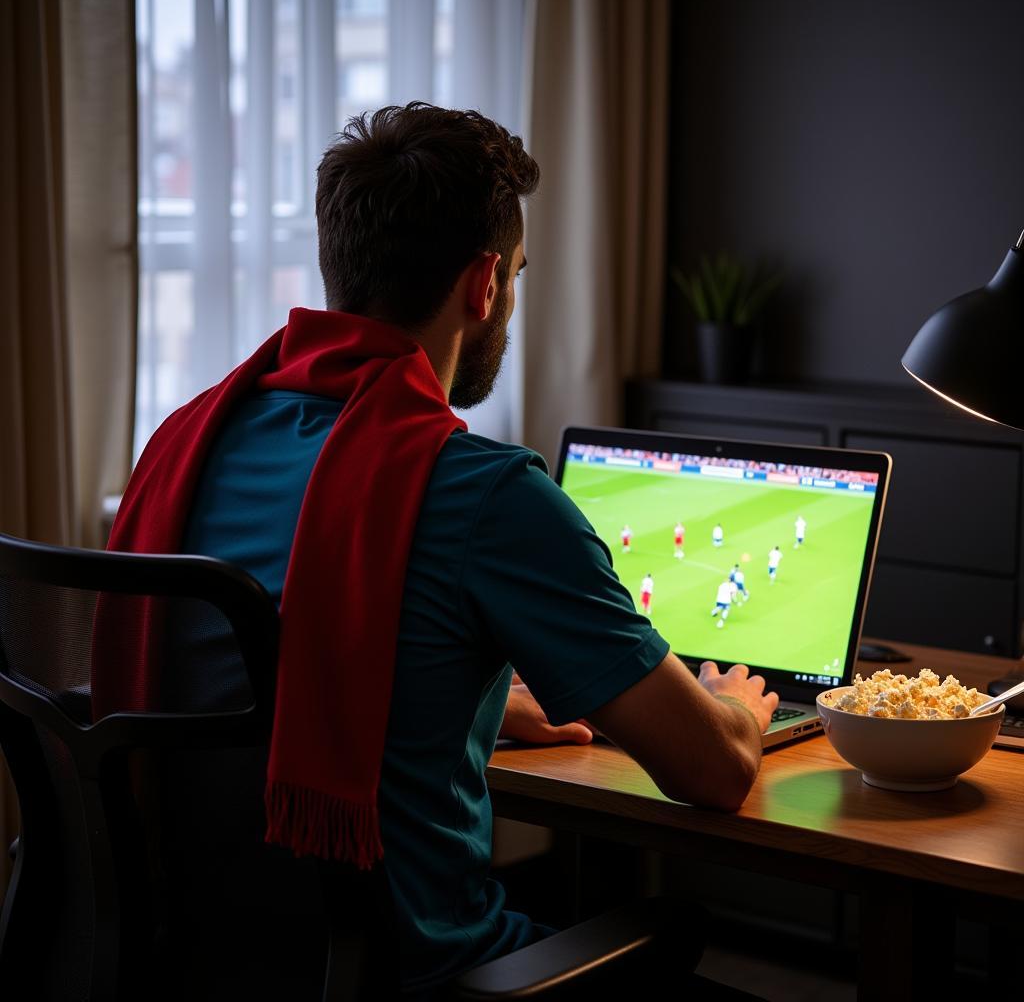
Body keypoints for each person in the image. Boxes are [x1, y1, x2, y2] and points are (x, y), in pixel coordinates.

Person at [103, 103, 777, 997]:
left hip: (184, 958)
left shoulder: (185, 446)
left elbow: (257, 663)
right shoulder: (487, 494)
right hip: (417, 972)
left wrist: (468, 702)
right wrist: (736, 711)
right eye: (520, 275)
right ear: (485, 283)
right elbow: (714, 772)